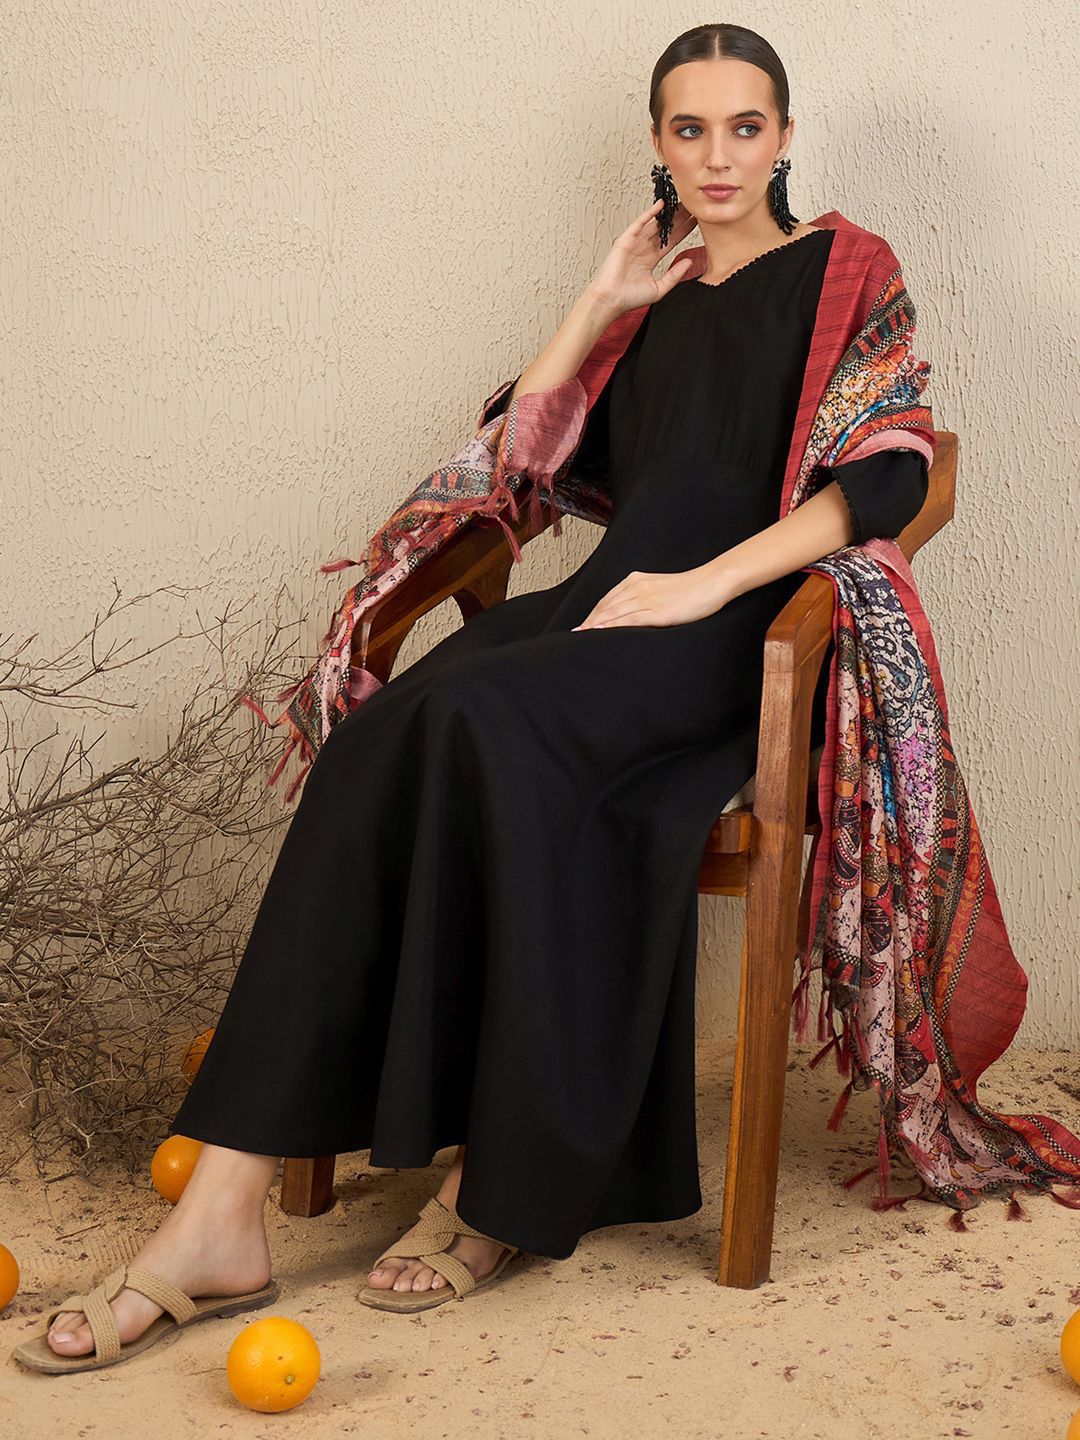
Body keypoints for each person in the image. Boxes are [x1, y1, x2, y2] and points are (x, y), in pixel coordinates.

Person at [26, 24, 932, 1365]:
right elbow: (523, 462)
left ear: (786, 137)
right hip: (601, 613)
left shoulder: (850, 270)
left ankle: (496, 1190)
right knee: (376, 738)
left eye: (745, 128)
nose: (718, 156)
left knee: (479, 718)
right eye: (689, 130)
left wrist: (700, 590)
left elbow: (891, 476)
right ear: (656, 143)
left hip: (722, 633)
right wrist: (600, 299)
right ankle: (218, 1214)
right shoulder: (654, 298)